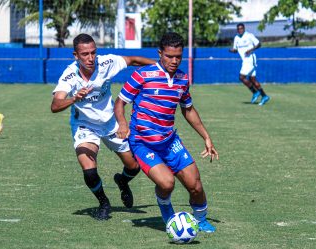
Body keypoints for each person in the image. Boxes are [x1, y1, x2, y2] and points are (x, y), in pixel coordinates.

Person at [114, 32, 219, 233]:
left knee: (195, 185)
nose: (174, 61)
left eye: (178, 56)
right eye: (169, 56)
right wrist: (122, 124)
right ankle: (165, 206)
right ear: (160, 53)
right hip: (142, 142)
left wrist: (206, 137)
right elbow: (120, 102)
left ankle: (201, 220)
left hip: (170, 141)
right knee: (167, 183)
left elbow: (187, 109)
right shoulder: (142, 75)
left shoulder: (182, 79)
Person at [50, 33, 155, 220]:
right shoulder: (70, 75)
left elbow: (133, 60)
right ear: (76, 55)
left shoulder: (106, 63)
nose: (90, 58)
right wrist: (74, 98)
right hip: (85, 125)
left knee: (134, 167)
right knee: (89, 171)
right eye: (85, 54)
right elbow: (55, 105)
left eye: (93, 53)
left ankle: (122, 181)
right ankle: (104, 203)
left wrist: (159, 69)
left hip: (110, 122)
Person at [229, 23, 270, 106]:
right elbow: (236, 49)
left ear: (244, 28)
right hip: (245, 60)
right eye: (238, 29)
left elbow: (259, 44)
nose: (240, 30)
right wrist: (233, 51)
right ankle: (264, 96)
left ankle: (255, 92)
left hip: (250, 59)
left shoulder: (249, 35)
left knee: (241, 77)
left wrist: (250, 50)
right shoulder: (236, 38)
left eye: (241, 28)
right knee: (253, 80)